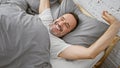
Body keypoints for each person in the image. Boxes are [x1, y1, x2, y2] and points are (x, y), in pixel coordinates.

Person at [38, 0, 120, 67]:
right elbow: (44, 5)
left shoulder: (56, 44)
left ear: (67, 33)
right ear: (57, 18)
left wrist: (115, 26)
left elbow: (90, 53)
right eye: (62, 19)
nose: (60, 24)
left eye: (67, 25)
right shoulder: (46, 20)